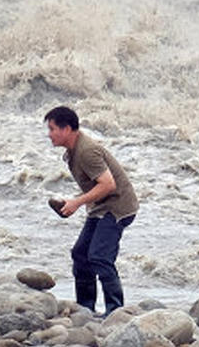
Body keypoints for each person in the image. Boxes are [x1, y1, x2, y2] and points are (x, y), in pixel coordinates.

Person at [44, 106, 138, 315]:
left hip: (118, 206)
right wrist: (78, 203)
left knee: (100, 257)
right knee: (80, 254)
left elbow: (108, 185)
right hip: (101, 206)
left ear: (67, 129)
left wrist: (77, 202)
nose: (49, 134)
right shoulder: (72, 151)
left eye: (52, 129)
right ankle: (86, 308)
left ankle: (115, 312)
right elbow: (95, 185)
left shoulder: (87, 151)